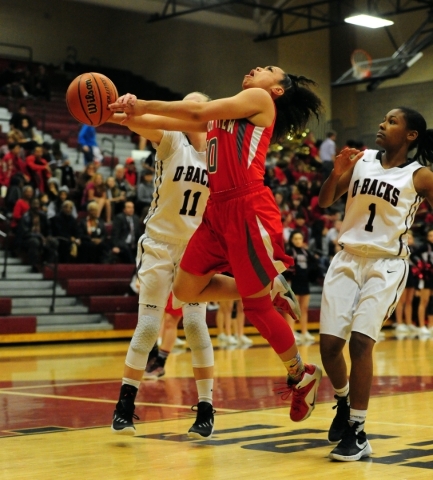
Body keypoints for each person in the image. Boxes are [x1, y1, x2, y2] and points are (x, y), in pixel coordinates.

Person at [110, 66, 323, 423]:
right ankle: (266, 288)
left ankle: (302, 375)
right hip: (215, 213)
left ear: (278, 90)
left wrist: (142, 102)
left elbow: (194, 112)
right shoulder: (223, 119)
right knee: (184, 289)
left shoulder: (259, 99)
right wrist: (123, 113)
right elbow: (175, 122)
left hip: (246, 206)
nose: (256, 69)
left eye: (268, 69)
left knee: (255, 313)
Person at [318, 106, 433, 461]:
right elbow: (326, 201)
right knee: (328, 346)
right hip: (347, 258)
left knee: (360, 344)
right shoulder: (361, 159)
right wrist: (335, 173)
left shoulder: (421, 176)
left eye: (392, 121)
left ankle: (357, 430)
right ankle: (342, 402)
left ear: (411, 135)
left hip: (386, 265)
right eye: (383, 119)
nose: (382, 125)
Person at [108, 92, 217, 439]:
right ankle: (125, 405)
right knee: (148, 328)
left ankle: (206, 408)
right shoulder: (172, 140)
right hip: (158, 245)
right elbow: (138, 121)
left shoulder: (219, 160)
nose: (187, 110)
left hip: (195, 249)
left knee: (196, 326)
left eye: (194, 105)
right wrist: (112, 110)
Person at [286, 230, 317, 344]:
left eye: (300, 239)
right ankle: (291, 332)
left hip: (304, 282)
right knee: (293, 309)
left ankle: (304, 332)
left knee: (304, 309)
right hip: (293, 283)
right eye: (296, 239)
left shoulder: (306, 253)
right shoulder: (289, 252)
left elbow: (314, 266)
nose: (298, 241)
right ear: (291, 240)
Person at [394, 231, 418, 337]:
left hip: (412, 274)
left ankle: (408, 322)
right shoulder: (400, 250)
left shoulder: (415, 251)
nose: (409, 240)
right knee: (401, 301)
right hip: (402, 273)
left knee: (409, 301)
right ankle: (399, 323)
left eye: (411, 238)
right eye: (407, 238)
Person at [412, 228, 433, 336]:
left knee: (431, 301)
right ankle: (421, 325)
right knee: (423, 301)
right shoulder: (425, 246)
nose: (432, 238)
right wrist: (421, 265)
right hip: (426, 277)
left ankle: (431, 325)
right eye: (430, 236)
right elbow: (413, 255)